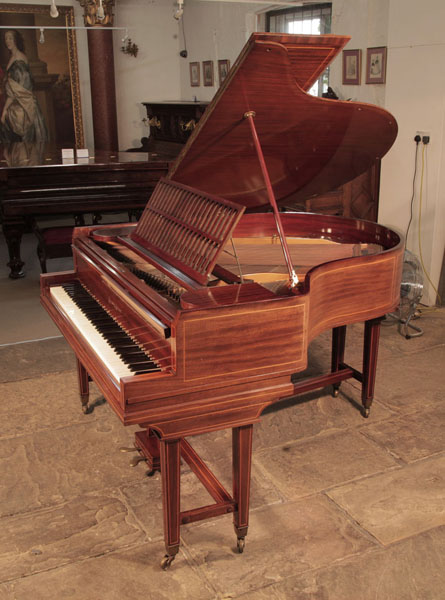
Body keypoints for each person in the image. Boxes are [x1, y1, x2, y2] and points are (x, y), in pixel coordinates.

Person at [0, 29, 48, 143]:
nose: (7, 41)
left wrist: (5, 111)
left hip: (23, 108)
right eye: (6, 38)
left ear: (16, 40)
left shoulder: (19, 59)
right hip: (19, 104)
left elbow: (18, 89)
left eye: (10, 38)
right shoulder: (14, 57)